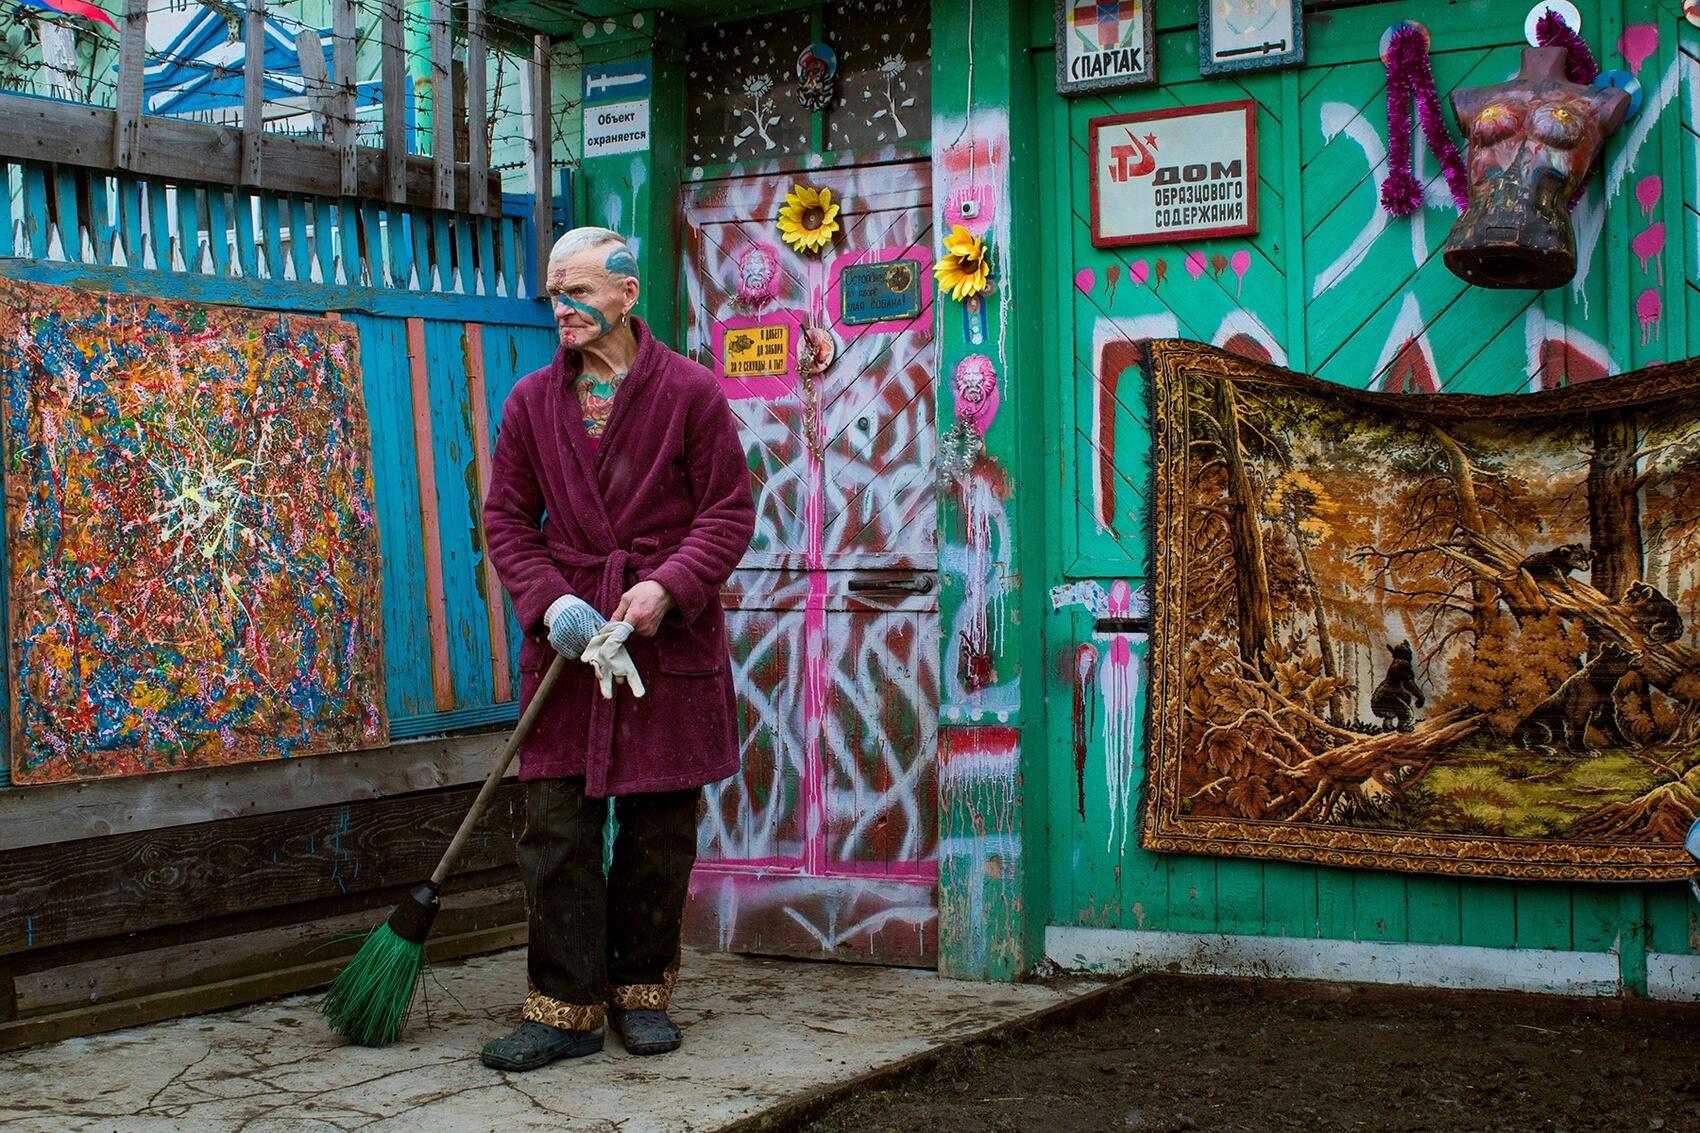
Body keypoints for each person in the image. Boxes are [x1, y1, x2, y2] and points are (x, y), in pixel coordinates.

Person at [479, 226, 755, 1072]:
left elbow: (727, 513)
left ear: (627, 295)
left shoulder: (693, 394)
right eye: (553, 294)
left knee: (657, 830)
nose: (560, 309)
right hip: (569, 646)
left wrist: (668, 586)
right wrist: (549, 598)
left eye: (579, 293)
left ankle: (640, 993)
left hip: (662, 645)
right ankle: (563, 1007)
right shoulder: (530, 403)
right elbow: (505, 521)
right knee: (554, 825)